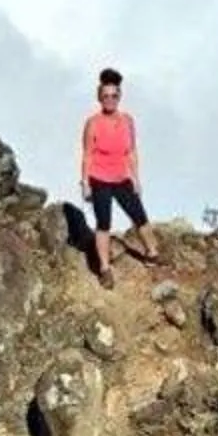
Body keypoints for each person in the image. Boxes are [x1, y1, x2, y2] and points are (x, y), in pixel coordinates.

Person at [78, 66, 159, 287]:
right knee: (104, 223)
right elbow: (87, 154)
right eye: (105, 96)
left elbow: (131, 151)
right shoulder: (93, 123)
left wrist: (136, 178)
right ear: (99, 98)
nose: (110, 100)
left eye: (114, 96)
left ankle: (152, 252)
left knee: (139, 215)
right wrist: (85, 183)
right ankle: (105, 268)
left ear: (120, 96)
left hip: (121, 177)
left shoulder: (127, 121)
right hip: (99, 178)